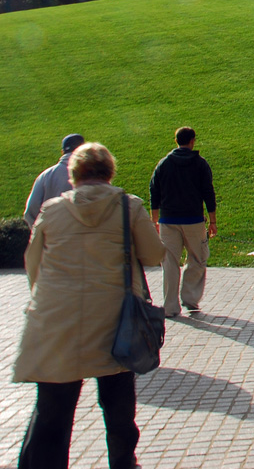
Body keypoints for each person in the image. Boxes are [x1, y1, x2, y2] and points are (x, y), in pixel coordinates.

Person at [14, 142, 165, 469]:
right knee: (119, 409)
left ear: (74, 174)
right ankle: (123, 463)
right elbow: (154, 255)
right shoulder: (130, 206)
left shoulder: (51, 210)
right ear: (109, 172)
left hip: (57, 324)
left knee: (53, 413)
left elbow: (32, 263)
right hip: (115, 322)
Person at [149, 126, 216, 317]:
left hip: (168, 220)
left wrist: (155, 220)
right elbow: (208, 193)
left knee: (169, 262)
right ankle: (190, 298)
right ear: (192, 140)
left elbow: (154, 191)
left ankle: (170, 306)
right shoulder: (200, 164)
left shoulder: (163, 164)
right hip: (194, 220)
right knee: (198, 257)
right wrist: (212, 221)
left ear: (175, 140)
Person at [23, 134, 85, 229]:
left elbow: (31, 209)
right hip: (81, 238)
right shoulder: (92, 174)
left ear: (62, 152)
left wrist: (41, 233)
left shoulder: (45, 175)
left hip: (51, 238)